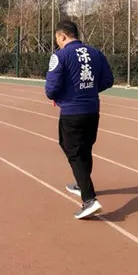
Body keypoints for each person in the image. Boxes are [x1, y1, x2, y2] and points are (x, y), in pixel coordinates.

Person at [44, 20, 114, 220]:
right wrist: (88, 91)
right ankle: (80, 184)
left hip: (72, 111)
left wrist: (64, 95)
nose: (57, 42)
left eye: (57, 39)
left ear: (62, 36)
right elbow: (108, 80)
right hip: (92, 109)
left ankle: (89, 199)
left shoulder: (60, 56)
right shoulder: (96, 53)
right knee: (84, 148)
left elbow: (51, 89)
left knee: (73, 151)